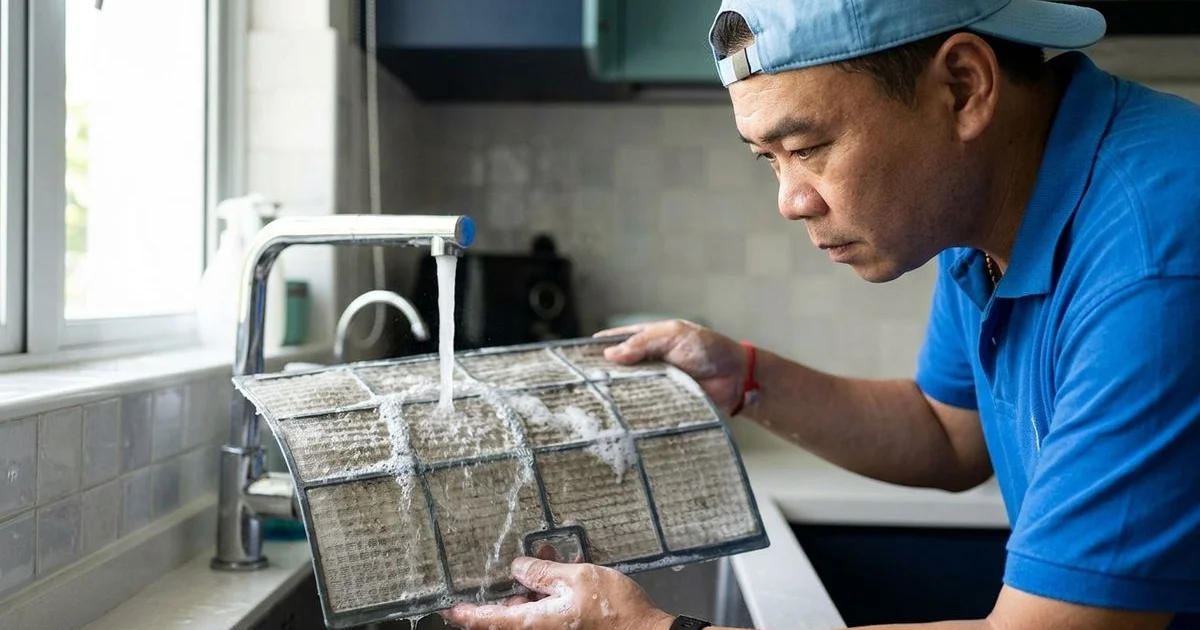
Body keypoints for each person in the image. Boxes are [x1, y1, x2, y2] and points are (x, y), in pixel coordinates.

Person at [441, 0, 1200, 627]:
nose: (791, 200)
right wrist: (741, 378)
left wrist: (650, 628)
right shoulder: (995, 215)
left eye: (809, 146)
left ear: (964, 88)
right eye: (768, 159)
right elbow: (948, 434)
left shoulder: (1154, 258)